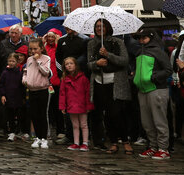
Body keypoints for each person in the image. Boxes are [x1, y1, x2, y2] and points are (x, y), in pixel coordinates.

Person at [87, 19, 132, 154]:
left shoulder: (117, 42)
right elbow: (89, 64)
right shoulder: (91, 43)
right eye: (97, 26)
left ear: (108, 27)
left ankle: (125, 141)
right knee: (106, 114)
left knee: (116, 113)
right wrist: (97, 63)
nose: (99, 28)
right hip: (99, 82)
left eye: (102, 26)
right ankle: (113, 142)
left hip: (115, 82)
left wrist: (108, 55)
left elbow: (124, 61)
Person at [132, 28, 173, 160]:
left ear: (151, 37)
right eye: (139, 38)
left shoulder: (158, 51)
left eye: (144, 38)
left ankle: (163, 148)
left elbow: (168, 70)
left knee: (159, 120)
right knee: (147, 122)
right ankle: (153, 146)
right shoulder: (139, 52)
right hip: (143, 90)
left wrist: (153, 77)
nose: (141, 40)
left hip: (157, 89)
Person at [23, 38, 51, 149]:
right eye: (31, 49)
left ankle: (44, 138)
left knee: (42, 114)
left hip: (42, 89)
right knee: (33, 114)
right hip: (32, 89)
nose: (33, 51)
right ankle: (37, 137)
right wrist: (25, 79)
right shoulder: (29, 59)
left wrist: (38, 61)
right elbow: (26, 71)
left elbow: (46, 72)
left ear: (41, 48)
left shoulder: (46, 58)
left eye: (35, 49)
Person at [59, 57, 92, 151]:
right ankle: (76, 142)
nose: (69, 65)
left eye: (71, 63)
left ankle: (85, 142)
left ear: (75, 65)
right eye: (67, 64)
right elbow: (62, 94)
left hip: (82, 105)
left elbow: (87, 93)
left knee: (84, 125)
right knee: (75, 125)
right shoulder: (65, 79)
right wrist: (62, 106)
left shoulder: (83, 78)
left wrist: (88, 105)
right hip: (71, 106)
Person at [0, 53, 24, 141]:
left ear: (17, 62)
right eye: (10, 61)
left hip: (18, 97)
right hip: (8, 97)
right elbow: (1, 84)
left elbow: (22, 85)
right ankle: (11, 132)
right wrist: (3, 95)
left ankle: (19, 131)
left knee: (19, 115)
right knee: (10, 116)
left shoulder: (20, 73)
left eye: (13, 61)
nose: (11, 63)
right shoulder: (5, 73)